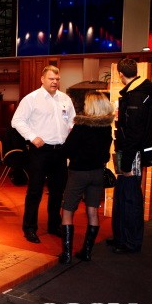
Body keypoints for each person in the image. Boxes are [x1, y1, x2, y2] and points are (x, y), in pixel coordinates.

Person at [12, 65, 76, 243]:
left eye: (57, 79)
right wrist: (32, 137)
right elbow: (17, 121)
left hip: (60, 151)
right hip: (40, 151)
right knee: (35, 191)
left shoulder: (65, 99)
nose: (55, 82)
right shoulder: (31, 99)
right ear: (42, 79)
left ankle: (54, 225)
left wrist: (71, 129)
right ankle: (29, 228)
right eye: (51, 79)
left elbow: (72, 119)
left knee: (57, 191)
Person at [109, 58, 152, 254]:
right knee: (123, 196)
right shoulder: (139, 92)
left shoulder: (137, 96)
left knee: (130, 199)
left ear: (120, 74)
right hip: (131, 153)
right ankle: (121, 238)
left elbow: (134, 133)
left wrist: (126, 163)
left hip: (132, 155)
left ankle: (130, 242)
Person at [59, 92, 114, 264]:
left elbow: (67, 150)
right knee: (92, 212)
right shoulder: (106, 127)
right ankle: (87, 252)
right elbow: (105, 155)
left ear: (90, 106)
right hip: (97, 173)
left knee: (67, 210)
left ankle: (67, 254)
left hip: (78, 173)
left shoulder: (81, 126)